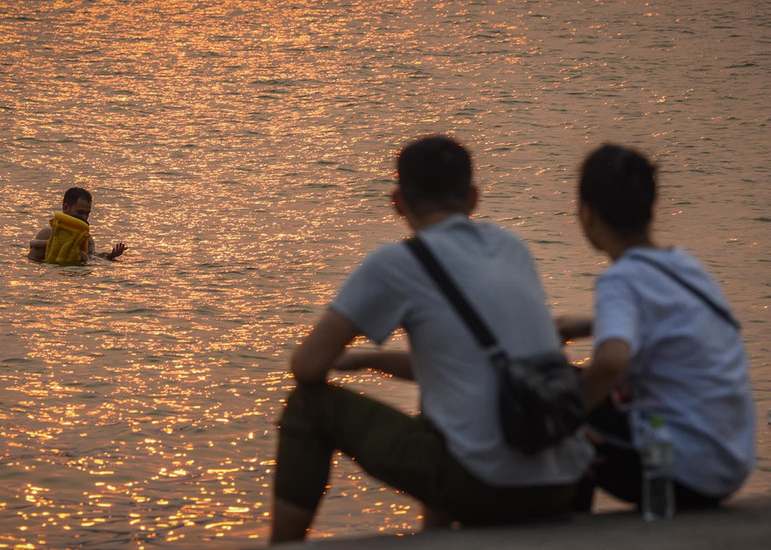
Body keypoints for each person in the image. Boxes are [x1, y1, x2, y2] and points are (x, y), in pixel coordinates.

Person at [270, 136, 593, 543]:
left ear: (397, 203)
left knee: (308, 406)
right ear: (473, 197)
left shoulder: (395, 264)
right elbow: (465, 367)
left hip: (484, 489)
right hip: (561, 485)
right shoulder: (512, 248)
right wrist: (371, 360)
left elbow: (306, 367)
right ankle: (436, 536)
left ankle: (281, 546)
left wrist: (350, 358)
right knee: (446, 404)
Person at [557, 144, 755, 512]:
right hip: (729, 464)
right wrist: (585, 324)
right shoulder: (687, 267)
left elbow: (612, 362)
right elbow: (670, 317)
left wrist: (566, 418)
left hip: (682, 476)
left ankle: (571, 530)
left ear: (586, 214)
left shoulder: (619, 280)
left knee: (555, 393)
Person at [28, 187, 128, 263]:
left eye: (87, 214)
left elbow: (94, 256)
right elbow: (32, 257)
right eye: (80, 212)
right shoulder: (47, 233)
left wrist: (110, 256)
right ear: (65, 208)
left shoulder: (87, 239)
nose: (84, 217)